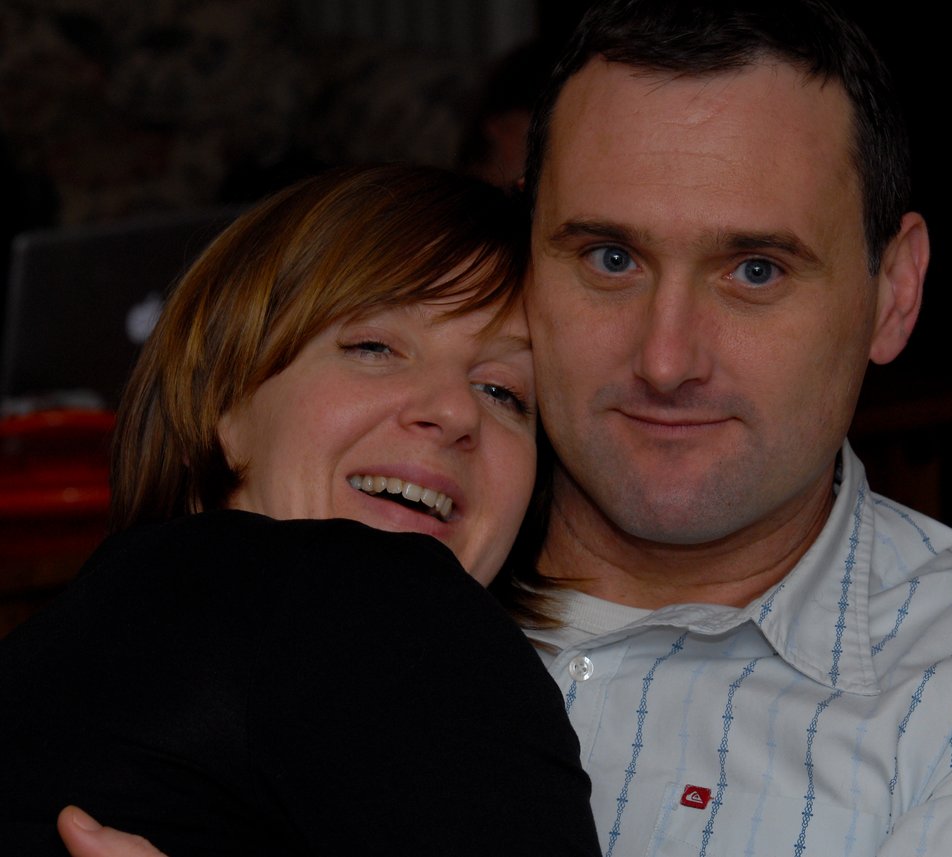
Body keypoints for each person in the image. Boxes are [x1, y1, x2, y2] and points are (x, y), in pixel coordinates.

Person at [59, 1, 952, 856]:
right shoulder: (345, 555)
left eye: (753, 269)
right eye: (608, 258)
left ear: (893, 292)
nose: (665, 357)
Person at [0, 164, 601, 856]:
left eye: (504, 391)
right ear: (224, 399)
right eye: (375, 347)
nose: (453, 409)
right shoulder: (395, 606)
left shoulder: (60, 650)